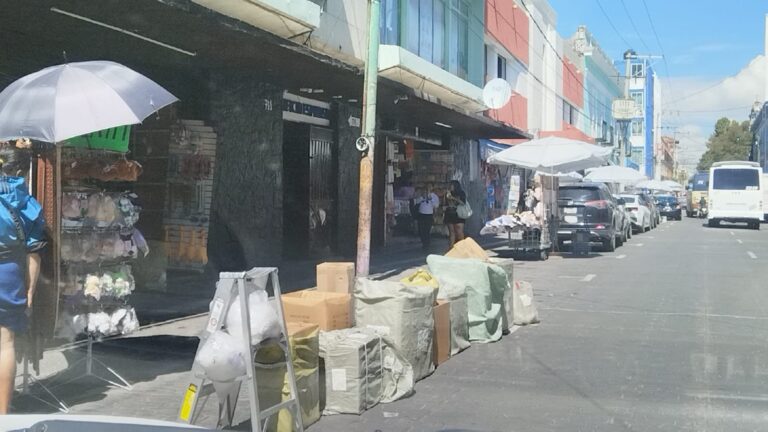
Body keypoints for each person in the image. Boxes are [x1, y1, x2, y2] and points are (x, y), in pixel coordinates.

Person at [0, 147, 46, 414]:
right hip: (9, 274)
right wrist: (29, 290)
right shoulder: (27, 203)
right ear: (21, 171)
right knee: (4, 343)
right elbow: (34, 252)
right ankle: (2, 416)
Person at [445, 180, 467, 248]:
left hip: (458, 214)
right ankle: (451, 248)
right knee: (452, 233)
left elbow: (463, 203)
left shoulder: (461, 193)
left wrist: (453, 198)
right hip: (450, 213)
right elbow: (445, 203)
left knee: (459, 232)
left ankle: (462, 247)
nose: (450, 187)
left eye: (451, 185)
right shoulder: (448, 193)